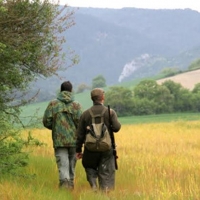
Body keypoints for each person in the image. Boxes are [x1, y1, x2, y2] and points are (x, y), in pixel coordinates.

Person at [76, 88, 121, 192]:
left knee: (89, 166)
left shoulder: (85, 114)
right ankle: (105, 192)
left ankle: (93, 185)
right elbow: (116, 128)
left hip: (90, 148)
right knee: (106, 171)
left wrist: (78, 150)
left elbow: (80, 135)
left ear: (92, 98)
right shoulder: (110, 112)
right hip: (106, 148)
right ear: (102, 97)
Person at [43, 81, 82, 190]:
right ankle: (71, 186)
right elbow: (81, 124)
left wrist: (56, 128)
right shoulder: (77, 105)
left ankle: (65, 188)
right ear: (71, 90)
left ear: (61, 90)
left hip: (59, 141)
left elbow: (46, 121)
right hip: (74, 141)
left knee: (63, 165)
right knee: (71, 165)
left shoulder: (53, 104)